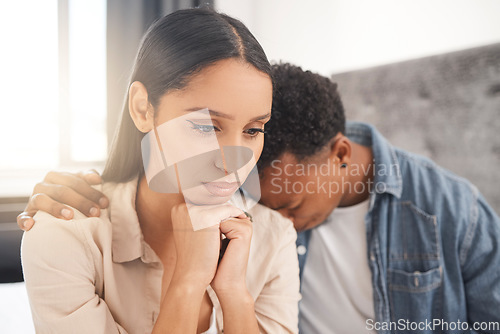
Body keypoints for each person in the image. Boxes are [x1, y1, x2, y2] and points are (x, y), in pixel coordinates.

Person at [20, 63, 500, 333]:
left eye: (286, 204)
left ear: (340, 154)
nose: (266, 213)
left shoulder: (450, 210)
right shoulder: (249, 194)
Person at [20, 9, 300, 334]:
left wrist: (236, 295)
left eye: (253, 130)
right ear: (143, 109)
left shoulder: (274, 237)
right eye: (207, 126)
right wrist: (187, 281)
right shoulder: (63, 236)